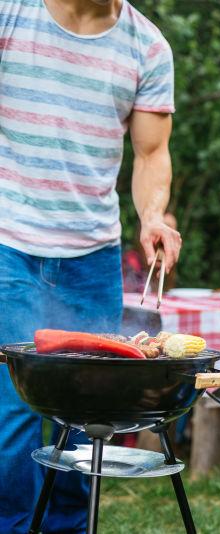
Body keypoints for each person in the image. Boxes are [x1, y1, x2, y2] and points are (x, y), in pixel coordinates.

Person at [0, 1, 181, 532]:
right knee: (12, 411)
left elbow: (151, 155)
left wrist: (152, 216)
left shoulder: (147, 46)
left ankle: (68, 528)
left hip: (92, 258)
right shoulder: (11, 15)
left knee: (85, 415)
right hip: (9, 245)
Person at [123, 212, 179, 293]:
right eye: (166, 226)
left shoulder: (168, 261)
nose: (169, 235)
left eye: (173, 230)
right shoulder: (132, 260)